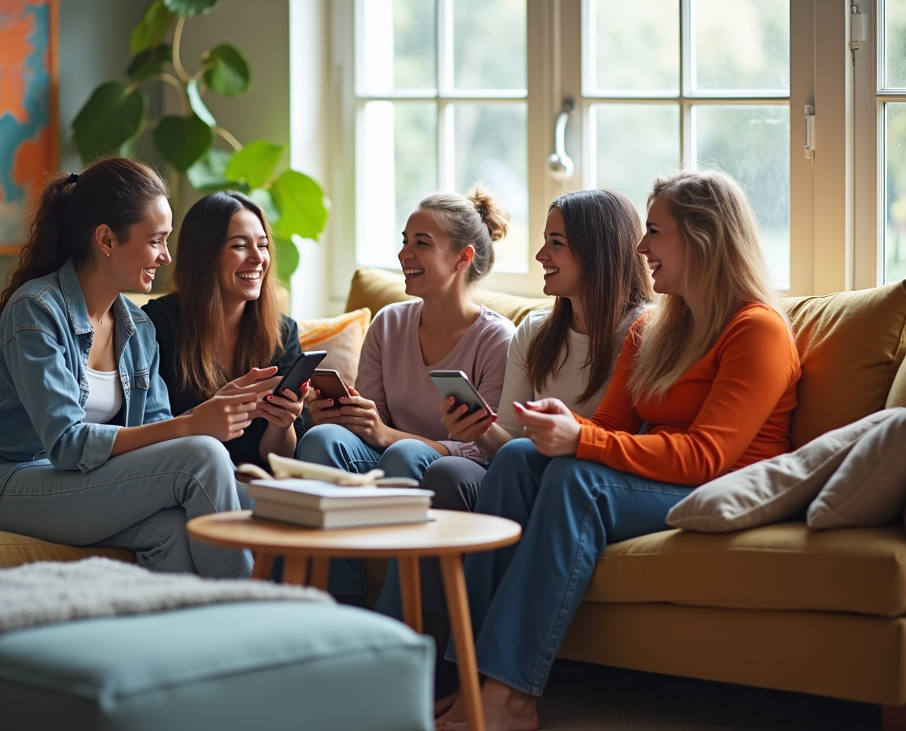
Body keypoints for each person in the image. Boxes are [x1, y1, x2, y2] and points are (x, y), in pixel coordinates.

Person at [434, 170, 802, 731]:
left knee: (574, 480)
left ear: (702, 237)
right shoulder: (654, 329)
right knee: (515, 459)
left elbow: (707, 456)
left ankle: (511, 698)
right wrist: (567, 425)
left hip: (719, 487)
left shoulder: (758, 331)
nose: (641, 247)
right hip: (658, 476)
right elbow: (610, 425)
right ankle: (469, 682)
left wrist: (583, 440)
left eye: (655, 231)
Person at [0, 158, 258, 580]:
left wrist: (210, 425)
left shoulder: (138, 326)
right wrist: (194, 425)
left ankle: (175, 642)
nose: (166, 256)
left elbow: (157, 433)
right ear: (106, 239)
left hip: (63, 479)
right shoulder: (36, 310)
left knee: (175, 530)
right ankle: (254, 612)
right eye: (157, 240)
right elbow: (67, 443)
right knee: (202, 454)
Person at [296, 186, 517, 602]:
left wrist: (387, 436)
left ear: (462, 258)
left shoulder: (497, 338)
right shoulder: (389, 322)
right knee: (320, 440)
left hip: (443, 472)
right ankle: (336, 605)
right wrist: (339, 415)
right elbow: (371, 421)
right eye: (404, 241)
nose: (404, 254)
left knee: (406, 454)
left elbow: (484, 450)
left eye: (421, 243)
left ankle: (394, 619)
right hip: (386, 457)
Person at [427, 189, 653, 512]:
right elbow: (508, 446)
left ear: (596, 250)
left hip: (583, 479)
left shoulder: (642, 333)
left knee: (522, 461)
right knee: (446, 472)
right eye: (545, 241)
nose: (541, 255)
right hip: (522, 472)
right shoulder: (534, 332)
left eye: (556, 243)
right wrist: (481, 429)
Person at [142, 192, 305, 471]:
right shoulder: (157, 324)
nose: (257, 258)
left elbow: (279, 459)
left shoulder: (283, 332)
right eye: (240, 246)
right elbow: (145, 433)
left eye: (263, 245)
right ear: (205, 255)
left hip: (256, 481)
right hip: (181, 476)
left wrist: (283, 423)